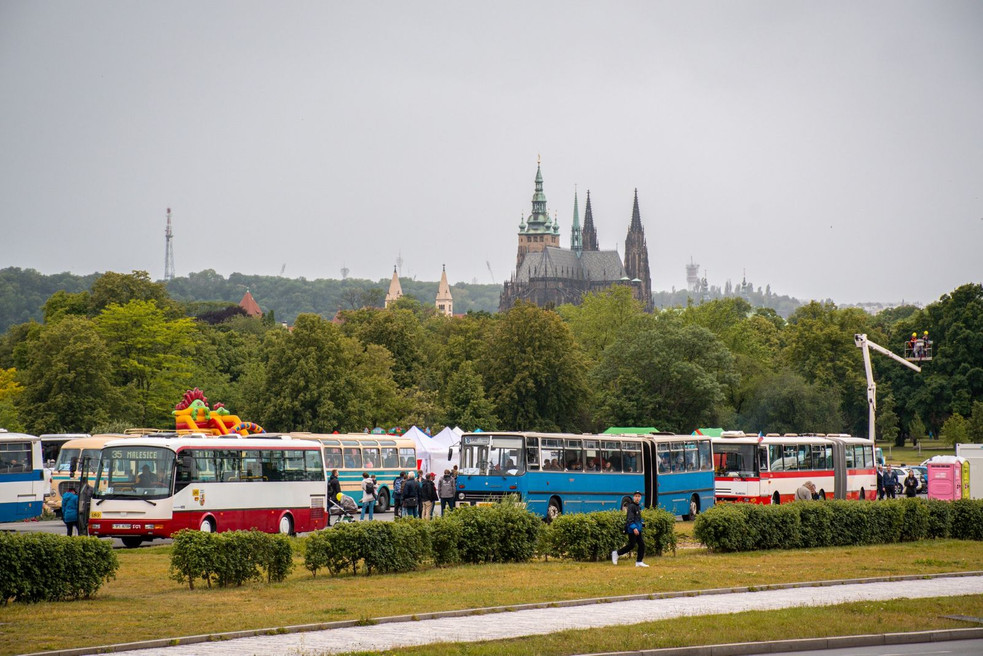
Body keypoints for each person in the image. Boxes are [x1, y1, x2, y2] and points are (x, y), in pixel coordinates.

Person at [612, 491, 647, 567]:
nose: (637, 498)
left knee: (641, 544)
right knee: (632, 545)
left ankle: (639, 561)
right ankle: (616, 553)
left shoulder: (638, 506)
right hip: (632, 529)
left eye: (639, 496)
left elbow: (638, 518)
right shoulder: (631, 506)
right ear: (633, 497)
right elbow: (629, 519)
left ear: (640, 498)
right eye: (636, 496)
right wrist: (634, 528)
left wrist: (643, 524)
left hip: (638, 529)